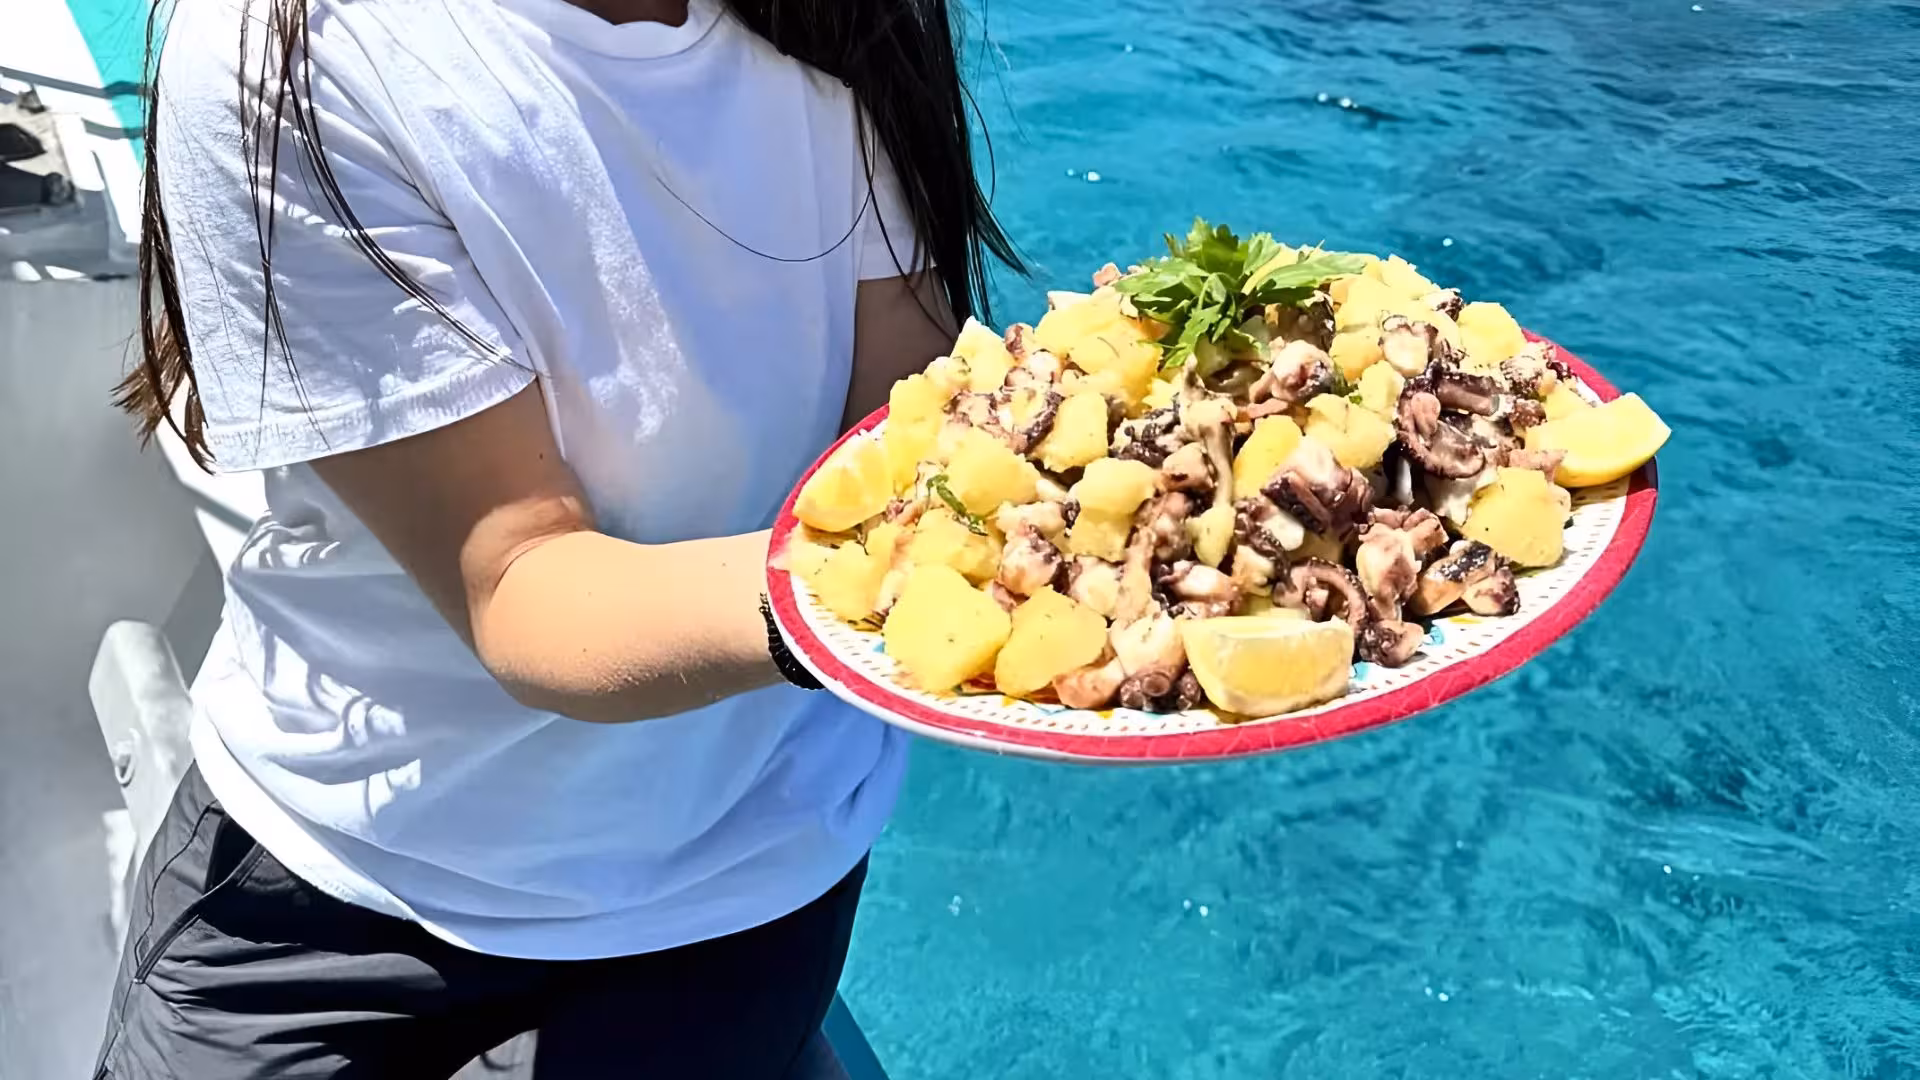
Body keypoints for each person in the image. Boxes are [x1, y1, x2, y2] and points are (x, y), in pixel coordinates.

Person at [94, 0, 1019, 1074]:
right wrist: (879, 593)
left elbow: (900, 443)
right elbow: (523, 584)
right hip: (350, 907)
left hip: (743, 907)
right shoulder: (293, 48)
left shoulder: (841, 22)